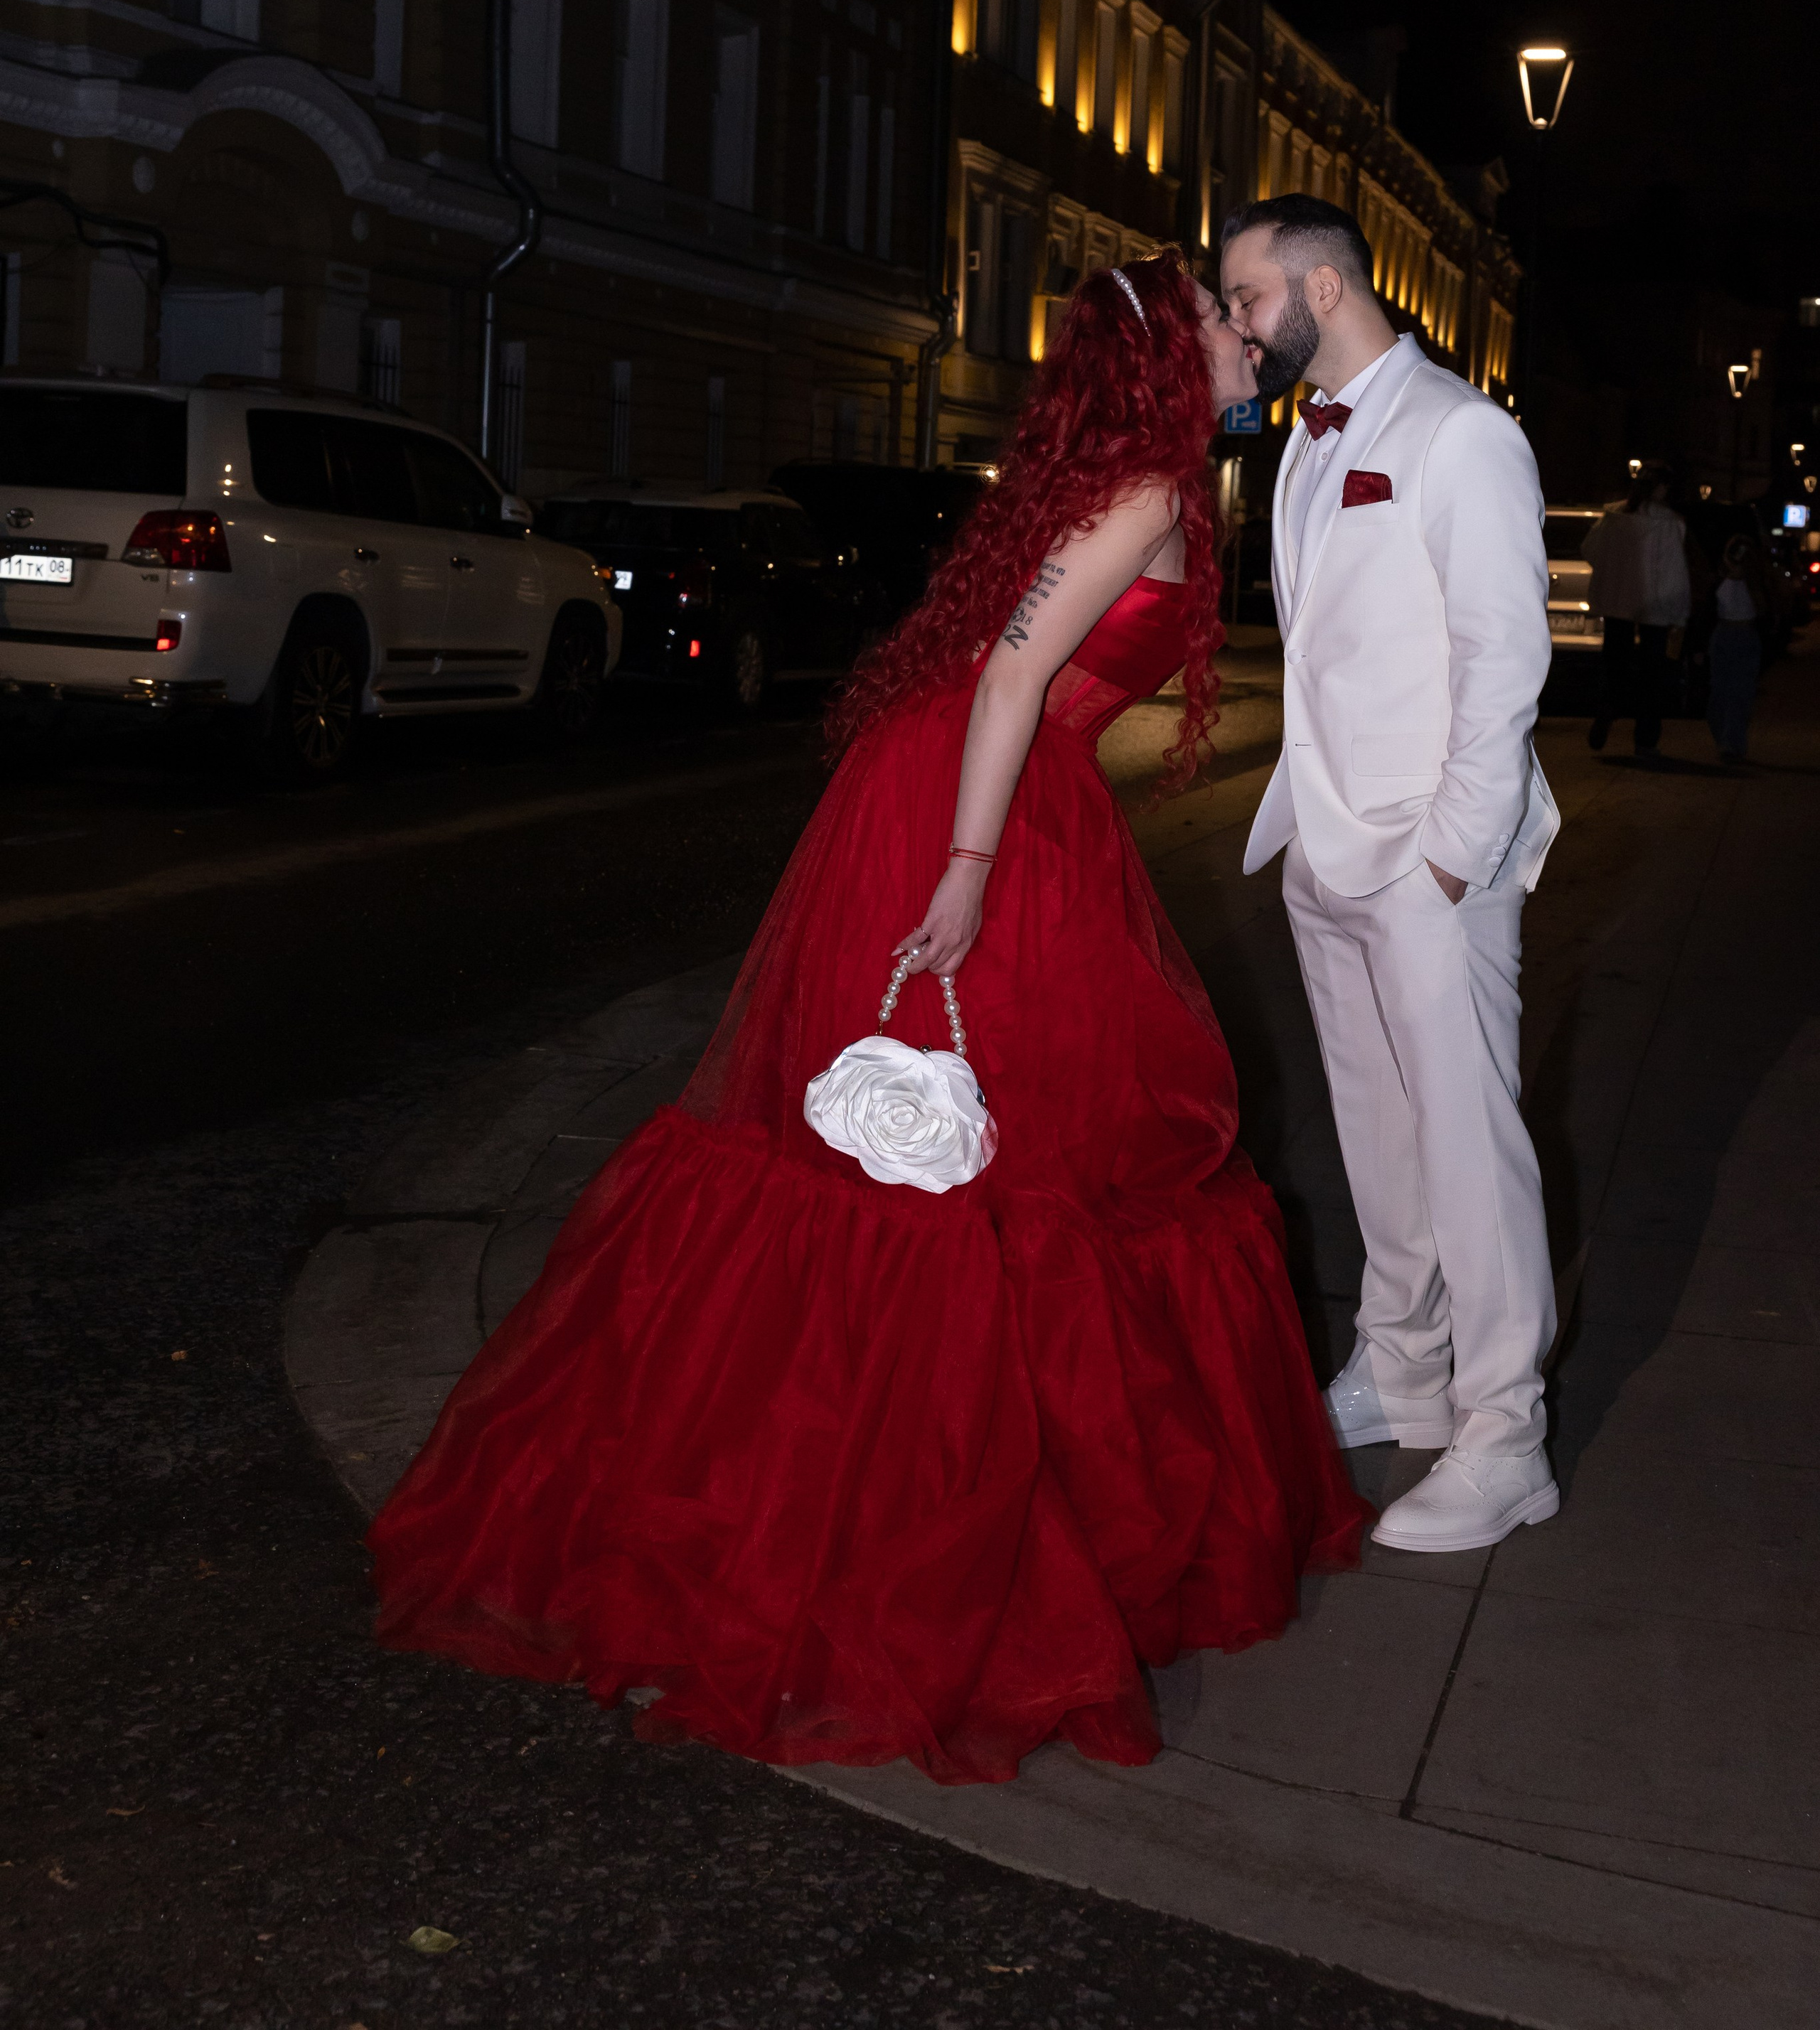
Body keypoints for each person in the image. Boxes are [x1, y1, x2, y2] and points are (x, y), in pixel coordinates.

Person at [368, 248, 1366, 1787]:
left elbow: (1003, 669)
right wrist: (965, 872)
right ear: (1169, 369)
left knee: (946, 1171)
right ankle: (867, 1550)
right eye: (1226, 330)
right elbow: (1010, 677)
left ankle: (840, 1505)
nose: (1254, 344)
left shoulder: (1142, 482)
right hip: (967, 818)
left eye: (1249, 321)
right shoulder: (1141, 501)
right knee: (953, 1182)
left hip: (975, 802)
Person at [1219, 198, 1561, 1555]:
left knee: (1471, 1149)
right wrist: (1321, 839)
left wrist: (1449, 858)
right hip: (1327, 844)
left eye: (1246, 297)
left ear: (1318, 284)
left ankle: (1506, 1435)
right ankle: (1405, 1366)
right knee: (1375, 1131)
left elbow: (1504, 660)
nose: (1241, 325)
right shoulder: (1310, 443)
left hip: (1430, 858)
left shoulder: (1464, 433)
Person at [1583, 465, 1692, 766]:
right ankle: (1645, 740)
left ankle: (1608, 707)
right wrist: (1680, 615)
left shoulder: (1615, 515)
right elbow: (1674, 573)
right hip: (1655, 609)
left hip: (1617, 603)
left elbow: (1590, 549)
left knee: (1615, 664)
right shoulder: (1668, 522)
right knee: (1653, 676)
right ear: (1661, 489)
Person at [1704, 532, 1769, 764]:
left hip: (1744, 635)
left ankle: (1732, 744)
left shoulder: (1755, 581)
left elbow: (1764, 609)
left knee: (1739, 693)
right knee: (1719, 694)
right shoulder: (1721, 577)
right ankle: (1725, 739)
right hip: (1723, 634)